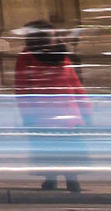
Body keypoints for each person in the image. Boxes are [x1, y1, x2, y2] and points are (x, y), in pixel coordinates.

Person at [14, 21, 90, 193]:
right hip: (45, 113)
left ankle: (71, 180)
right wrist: (27, 113)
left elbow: (74, 82)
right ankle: (52, 178)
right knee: (53, 148)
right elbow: (23, 87)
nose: (56, 38)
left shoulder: (61, 54)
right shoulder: (26, 57)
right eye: (53, 35)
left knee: (66, 148)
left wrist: (85, 107)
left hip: (63, 112)